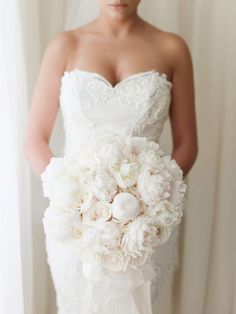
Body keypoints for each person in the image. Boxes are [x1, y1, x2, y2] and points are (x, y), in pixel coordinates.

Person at [24, 0, 198, 313]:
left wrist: (149, 200)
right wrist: (71, 195)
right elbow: (34, 138)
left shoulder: (173, 48)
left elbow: (187, 143)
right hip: (77, 222)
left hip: (145, 226)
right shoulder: (65, 45)